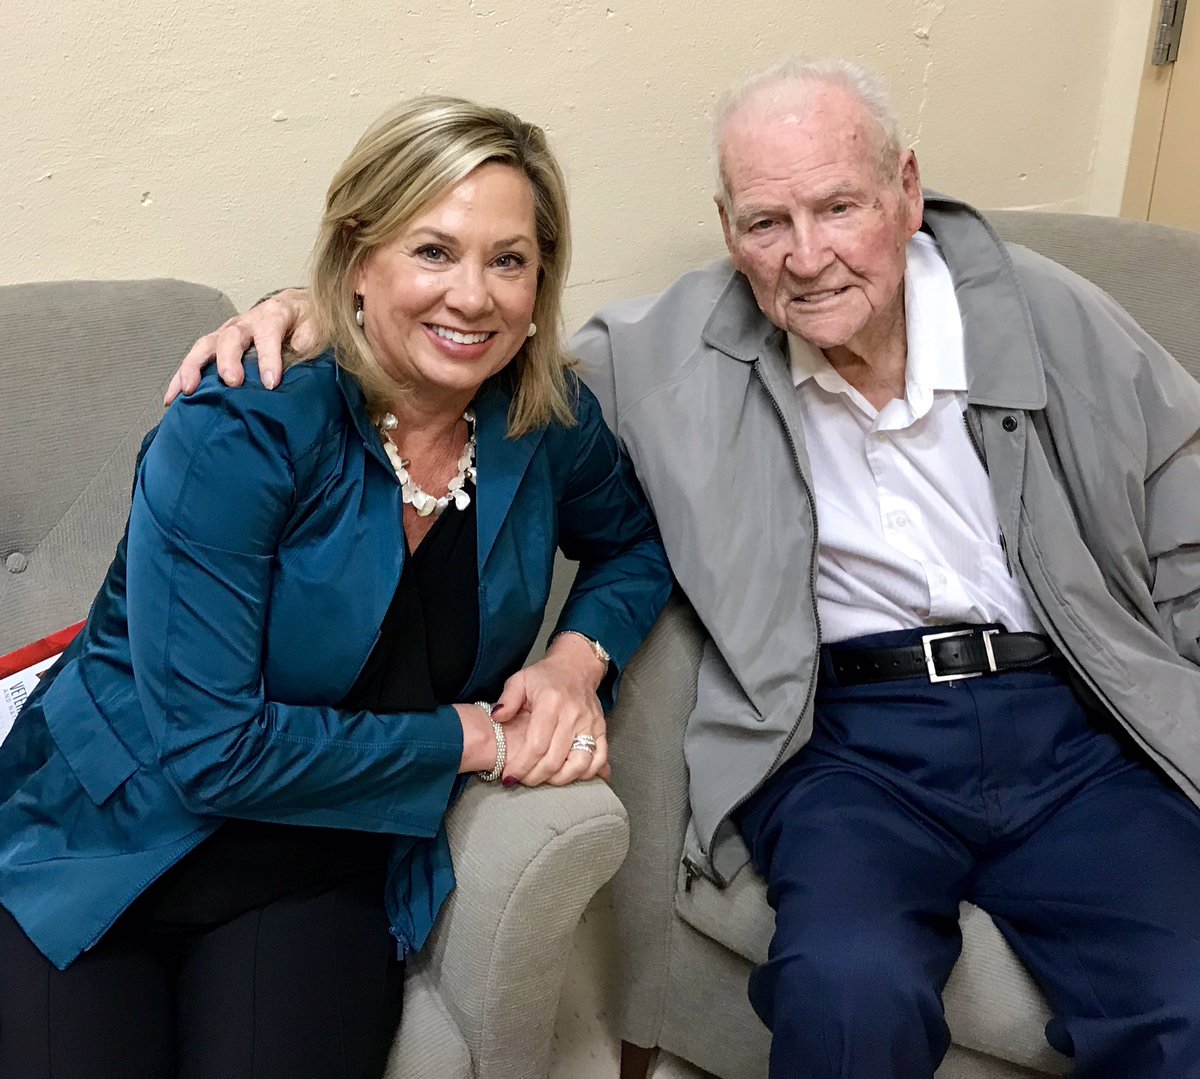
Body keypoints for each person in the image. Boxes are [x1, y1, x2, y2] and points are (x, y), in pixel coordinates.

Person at [166, 58, 1200, 1078]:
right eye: (767, 222)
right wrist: (310, 306)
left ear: (906, 190)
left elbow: (1184, 505)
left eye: (839, 207)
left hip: (1073, 722)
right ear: (728, 230)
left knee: (1185, 998)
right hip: (850, 740)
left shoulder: (1044, 312)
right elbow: (475, 342)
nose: (807, 257)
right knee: (848, 987)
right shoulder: (669, 353)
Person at [0, 96, 671, 1079]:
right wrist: (474, 736)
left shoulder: (543, 420)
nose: (473, 296)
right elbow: (211, 751)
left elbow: (635, 547)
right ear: (359, 257)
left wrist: (575, 663)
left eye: (508, 260)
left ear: (540, 282)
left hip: (325, 857)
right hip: (105, 835)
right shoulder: (245, 423)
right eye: (433, 251)